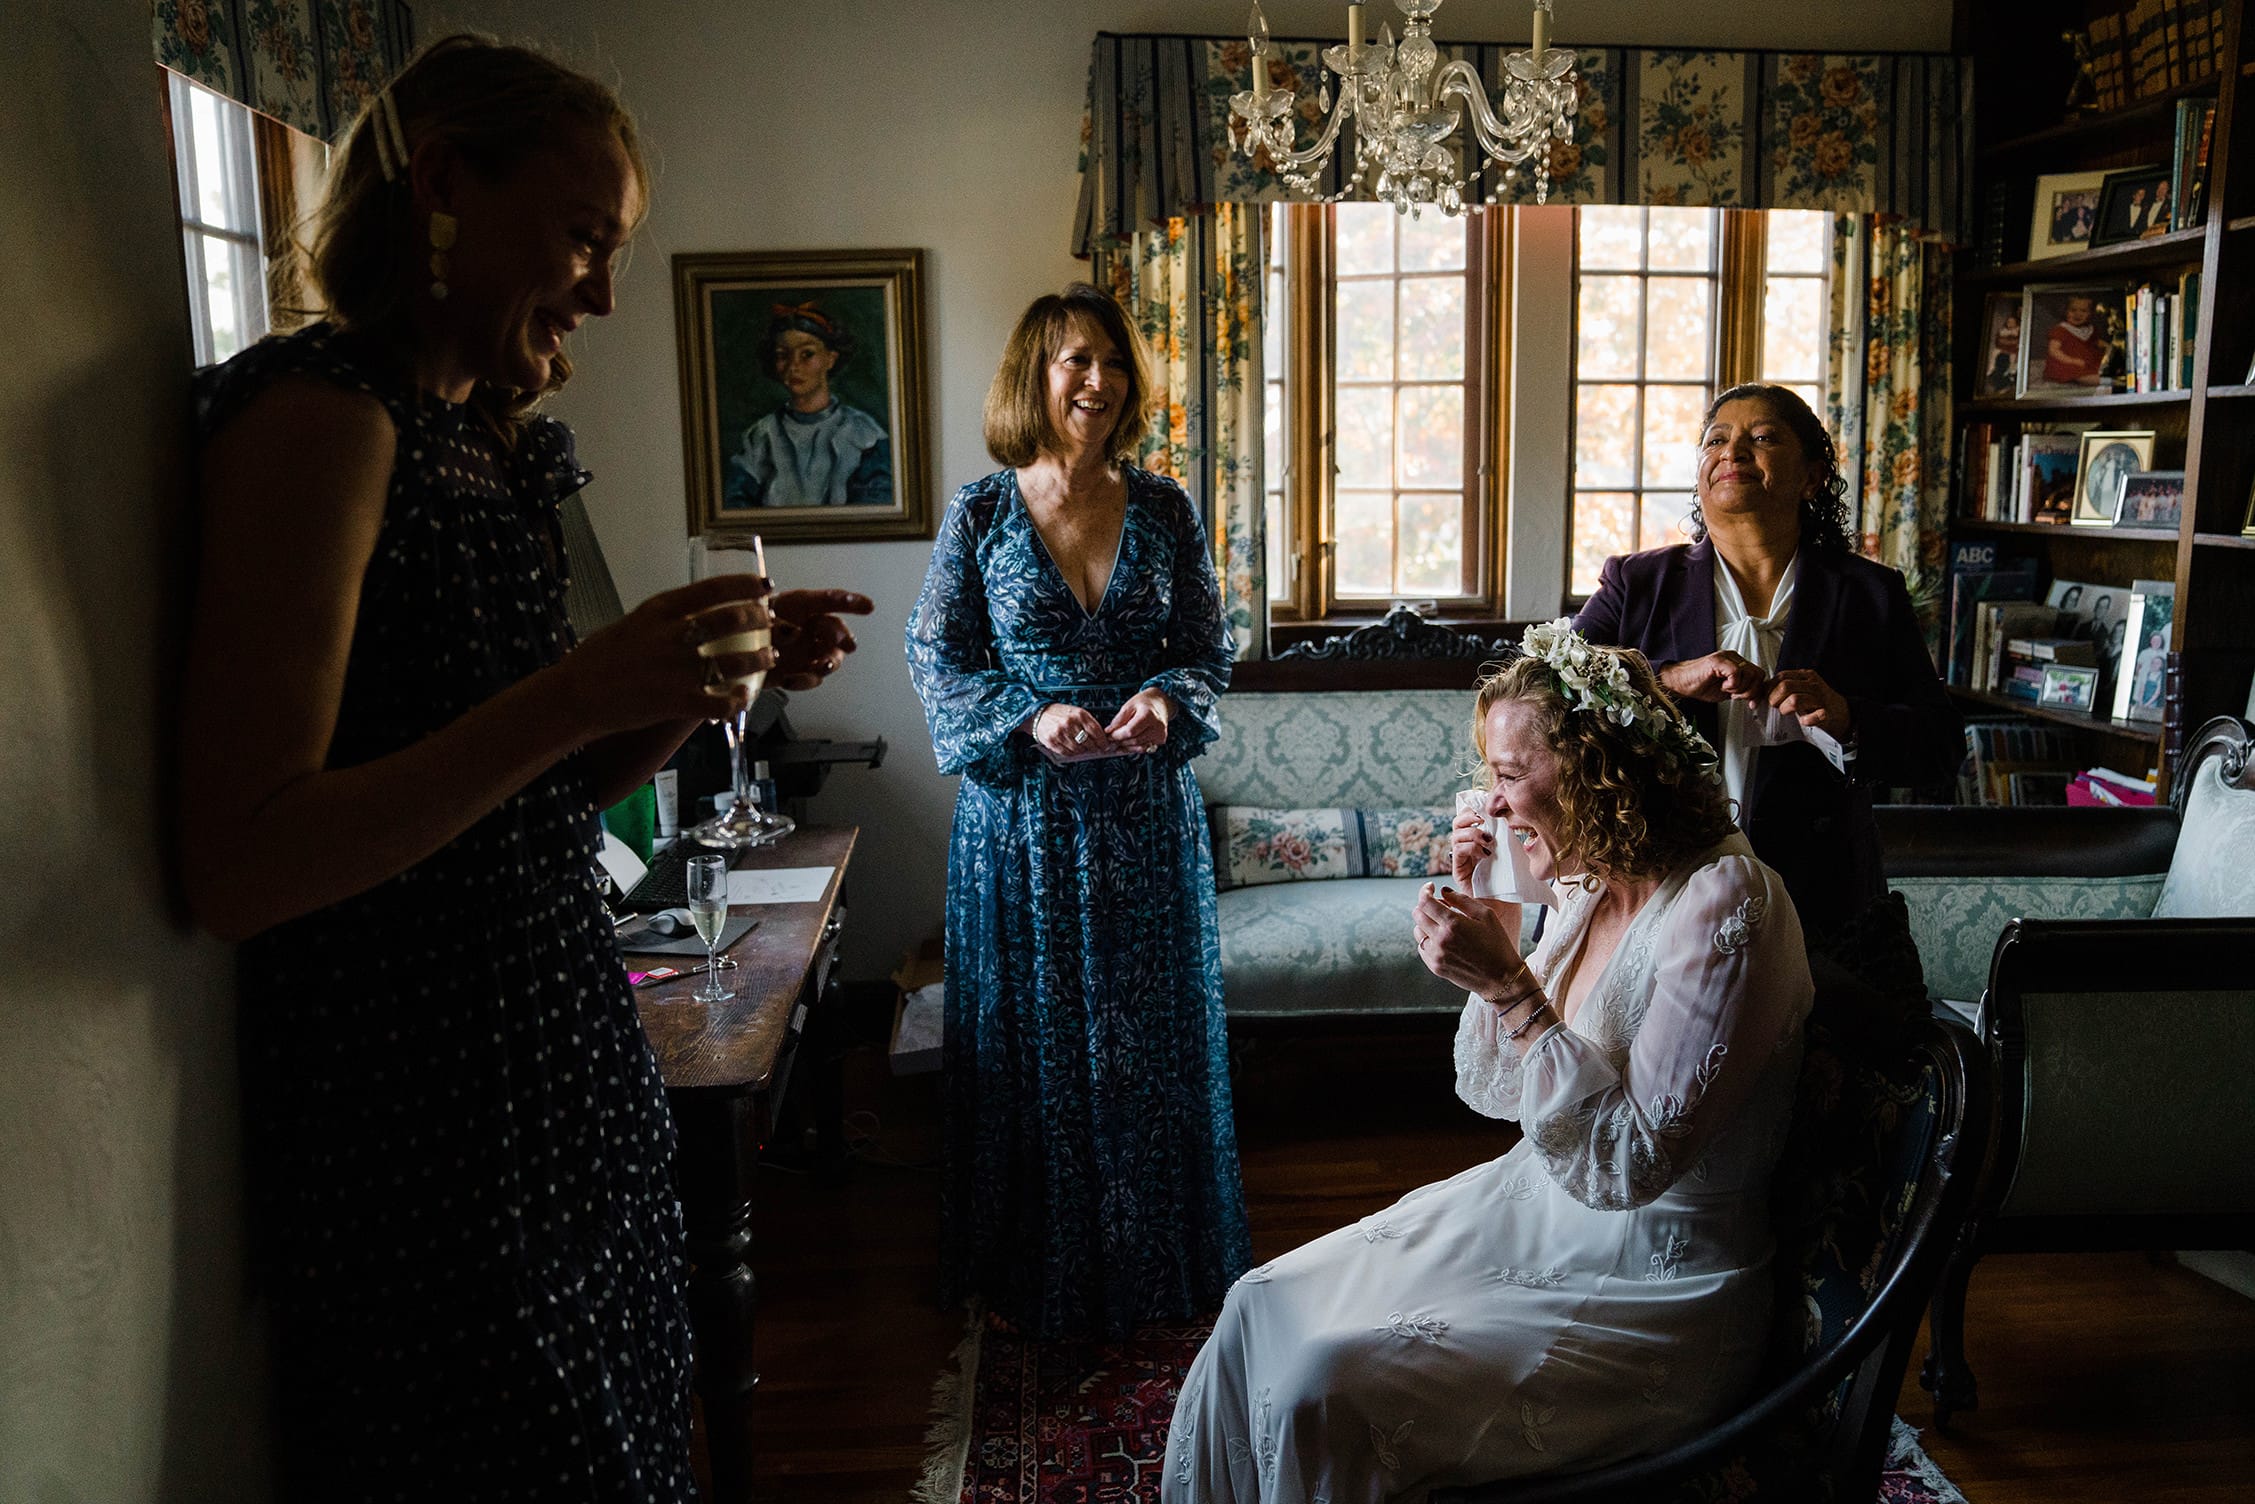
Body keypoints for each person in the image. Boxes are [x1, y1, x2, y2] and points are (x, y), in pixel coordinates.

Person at [177, 35, 869, 1500]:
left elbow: (544, 781)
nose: (604, 294)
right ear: (440, 186)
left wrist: (695, 689)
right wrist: (572, 695)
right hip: (416, 1109)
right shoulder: (319, 420)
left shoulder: (485, 445)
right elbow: (244, 861)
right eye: (580, 238)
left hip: (558, 1060)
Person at [1163, 627, 1815, 1499]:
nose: (1491, 803)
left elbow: (1629, 1165)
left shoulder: (1725, 901)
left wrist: (1511, 988)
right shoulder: (1591, 881)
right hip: (1535, 1210)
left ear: (1597, 770)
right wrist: (1499, 924)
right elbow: (1499, 1089)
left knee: (1324, 1383)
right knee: (1258, 1300)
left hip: (1659, 1280)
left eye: (1509, 776)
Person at [905, 283, 1249, 1338]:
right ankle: (1029, 1268)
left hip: (1144, 818)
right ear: (1033, 378)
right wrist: (1027, 712)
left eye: (1110, 361)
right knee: (1034, 1037)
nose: (1096, 381)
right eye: (1073, 362)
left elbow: (1207, 649)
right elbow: (935, 658)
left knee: (1147, 1040)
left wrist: (1164, 696)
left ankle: (1157, 1263)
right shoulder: (979, 512)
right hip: (1021, 830)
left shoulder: (1166, 508)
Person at [1573, 383, 1959, 940]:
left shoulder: (1870, 594)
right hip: (1649, 886)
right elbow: (1540, 702)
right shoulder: (1636, 583)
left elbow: (1940, 748)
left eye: (1763, 437)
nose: (1732, 452)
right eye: (1716, 440)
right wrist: (1667, 681)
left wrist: (1847, 717)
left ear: (1812, 476)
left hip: (1817, 900)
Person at [722, 301, 892, 508]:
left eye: (807, 354)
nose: (793, 367)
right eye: (783, 355)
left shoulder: (865, 434)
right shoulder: (760, 436)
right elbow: (736, 504)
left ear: (830, 359)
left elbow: (878, 504)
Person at [2042, 293, 2110, 386]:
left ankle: (2107, 376)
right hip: (2066, 361)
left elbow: (2095, 342)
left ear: (2090, 313)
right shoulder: (2061, 329)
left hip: (2085, 361)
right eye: (2073, 310)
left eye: (2083, 311)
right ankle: (2104, 381)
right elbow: (2053, 350)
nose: (2078, 314)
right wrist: (2072, 361)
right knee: (2074, 371)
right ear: (2066, 311)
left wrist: (2106, 345)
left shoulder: (2089, 329)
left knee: (2102, 364)